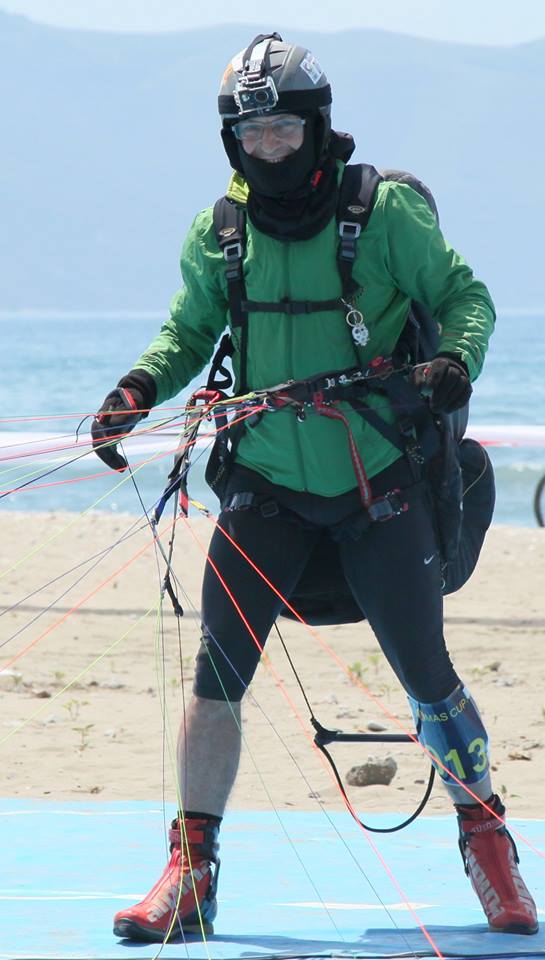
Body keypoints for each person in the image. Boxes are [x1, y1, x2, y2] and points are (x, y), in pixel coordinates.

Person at [93, 33, 538, 943]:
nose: (268, 148)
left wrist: (456, 360)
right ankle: (191, 870)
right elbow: (187, 333)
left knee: (428, 678)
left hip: (378, 487)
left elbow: (467, 297)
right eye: (250, 135)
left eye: (282, 131)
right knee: (215, 676)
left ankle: (486, 840)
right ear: (232, 140)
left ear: (316, 125)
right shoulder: (221, 233)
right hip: (265, 484)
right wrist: (136, 390)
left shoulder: (385, 215)